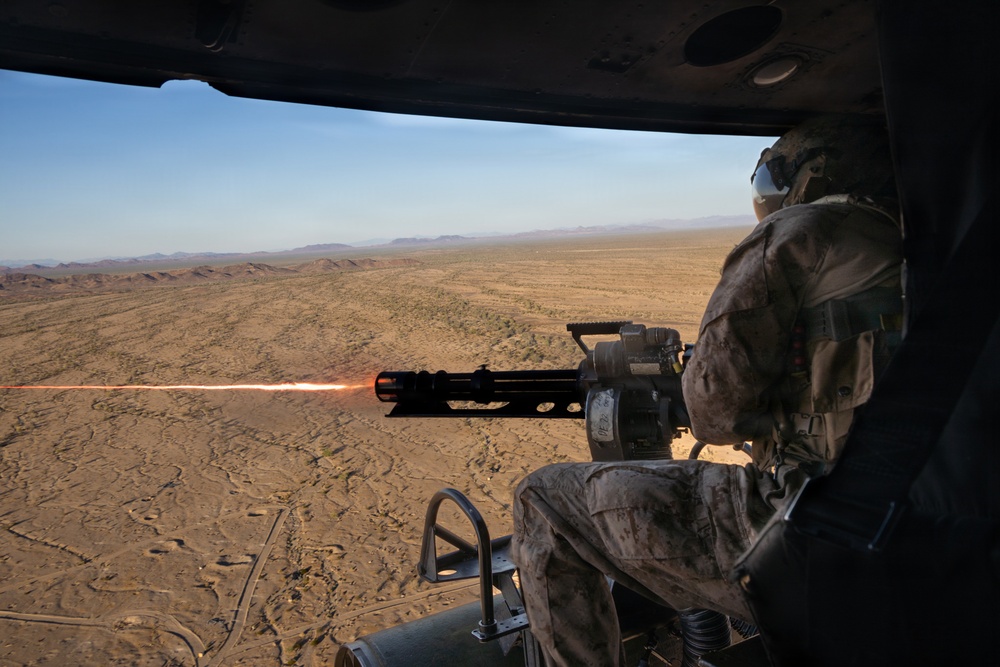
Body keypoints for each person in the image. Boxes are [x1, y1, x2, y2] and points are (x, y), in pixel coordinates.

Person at [510, 114, 904, 666]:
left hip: (815, 530)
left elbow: (715, 413)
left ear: (814, 175)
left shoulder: (799, 233)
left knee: (543, 498)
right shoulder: (926, 242)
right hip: (922, 527)